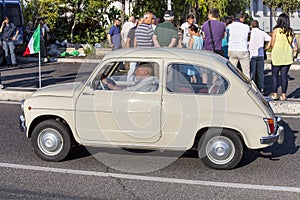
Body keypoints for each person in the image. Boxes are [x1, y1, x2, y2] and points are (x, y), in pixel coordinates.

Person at [270, 13, 295, 101]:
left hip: (277, 55)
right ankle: (284, 95)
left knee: (275, 76)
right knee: (284, 76)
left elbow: (272, 43)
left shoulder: (276, 30)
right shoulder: (291, 31)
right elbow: (291, 43)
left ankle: (275, 94)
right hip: (287, 56)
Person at [249, 20, 271, 93]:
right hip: (260, 54)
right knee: (260, 72)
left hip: (252, 54)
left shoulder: (250, 33)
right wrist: (266, 48)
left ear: (251, 26)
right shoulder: (262, 33)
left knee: (252, 72)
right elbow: (269, 39)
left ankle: (252, 87)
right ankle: (261, 87)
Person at [227, 12, 251, 78]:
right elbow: (248, 37)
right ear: (241, 18)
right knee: (246, 73)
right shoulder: (246, 27)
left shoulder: (229, 26)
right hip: (243, 50)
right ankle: (248, 87)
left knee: (232, 72)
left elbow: (227, 36)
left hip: (232, 49)